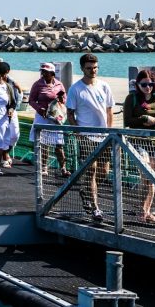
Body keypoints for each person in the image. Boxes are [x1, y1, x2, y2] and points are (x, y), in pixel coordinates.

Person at [66, 53, 115, 222]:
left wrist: (110, 130)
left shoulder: (104, 86)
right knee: (91, 170)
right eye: (89, 68)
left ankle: (86, 191)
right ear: (82, 68)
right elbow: (70, 113)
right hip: (86, 135)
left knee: (104, 171)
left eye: (95, 67)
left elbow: (109, 110)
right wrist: (77, 131)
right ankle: (95, 208)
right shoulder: (76, 88)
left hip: (104, 136)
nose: (93, 70)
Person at [122, 69, 155, 225]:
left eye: (150, 84)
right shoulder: (132, 98)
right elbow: (127, 121)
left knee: (151, 180)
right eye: (144, 84)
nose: (148, 87)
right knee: (146, 174)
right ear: (138, 84)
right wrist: (143, 119)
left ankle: (145, 211)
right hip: (139, 141)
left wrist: (154, 121)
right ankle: (143, 212)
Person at [28, 62, 68, 177]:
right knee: (44, 144)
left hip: (56, 117)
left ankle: (63, 168)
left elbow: (64, 99)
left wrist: (61, 99)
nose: (43, 74)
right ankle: (44, 167)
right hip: (43, 117)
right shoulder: (37, 84)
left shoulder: (59, 84)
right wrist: (39, 109)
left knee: (59, 144)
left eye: (46, 72)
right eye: (42, 72)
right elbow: (31, 100)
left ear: (52, 73)